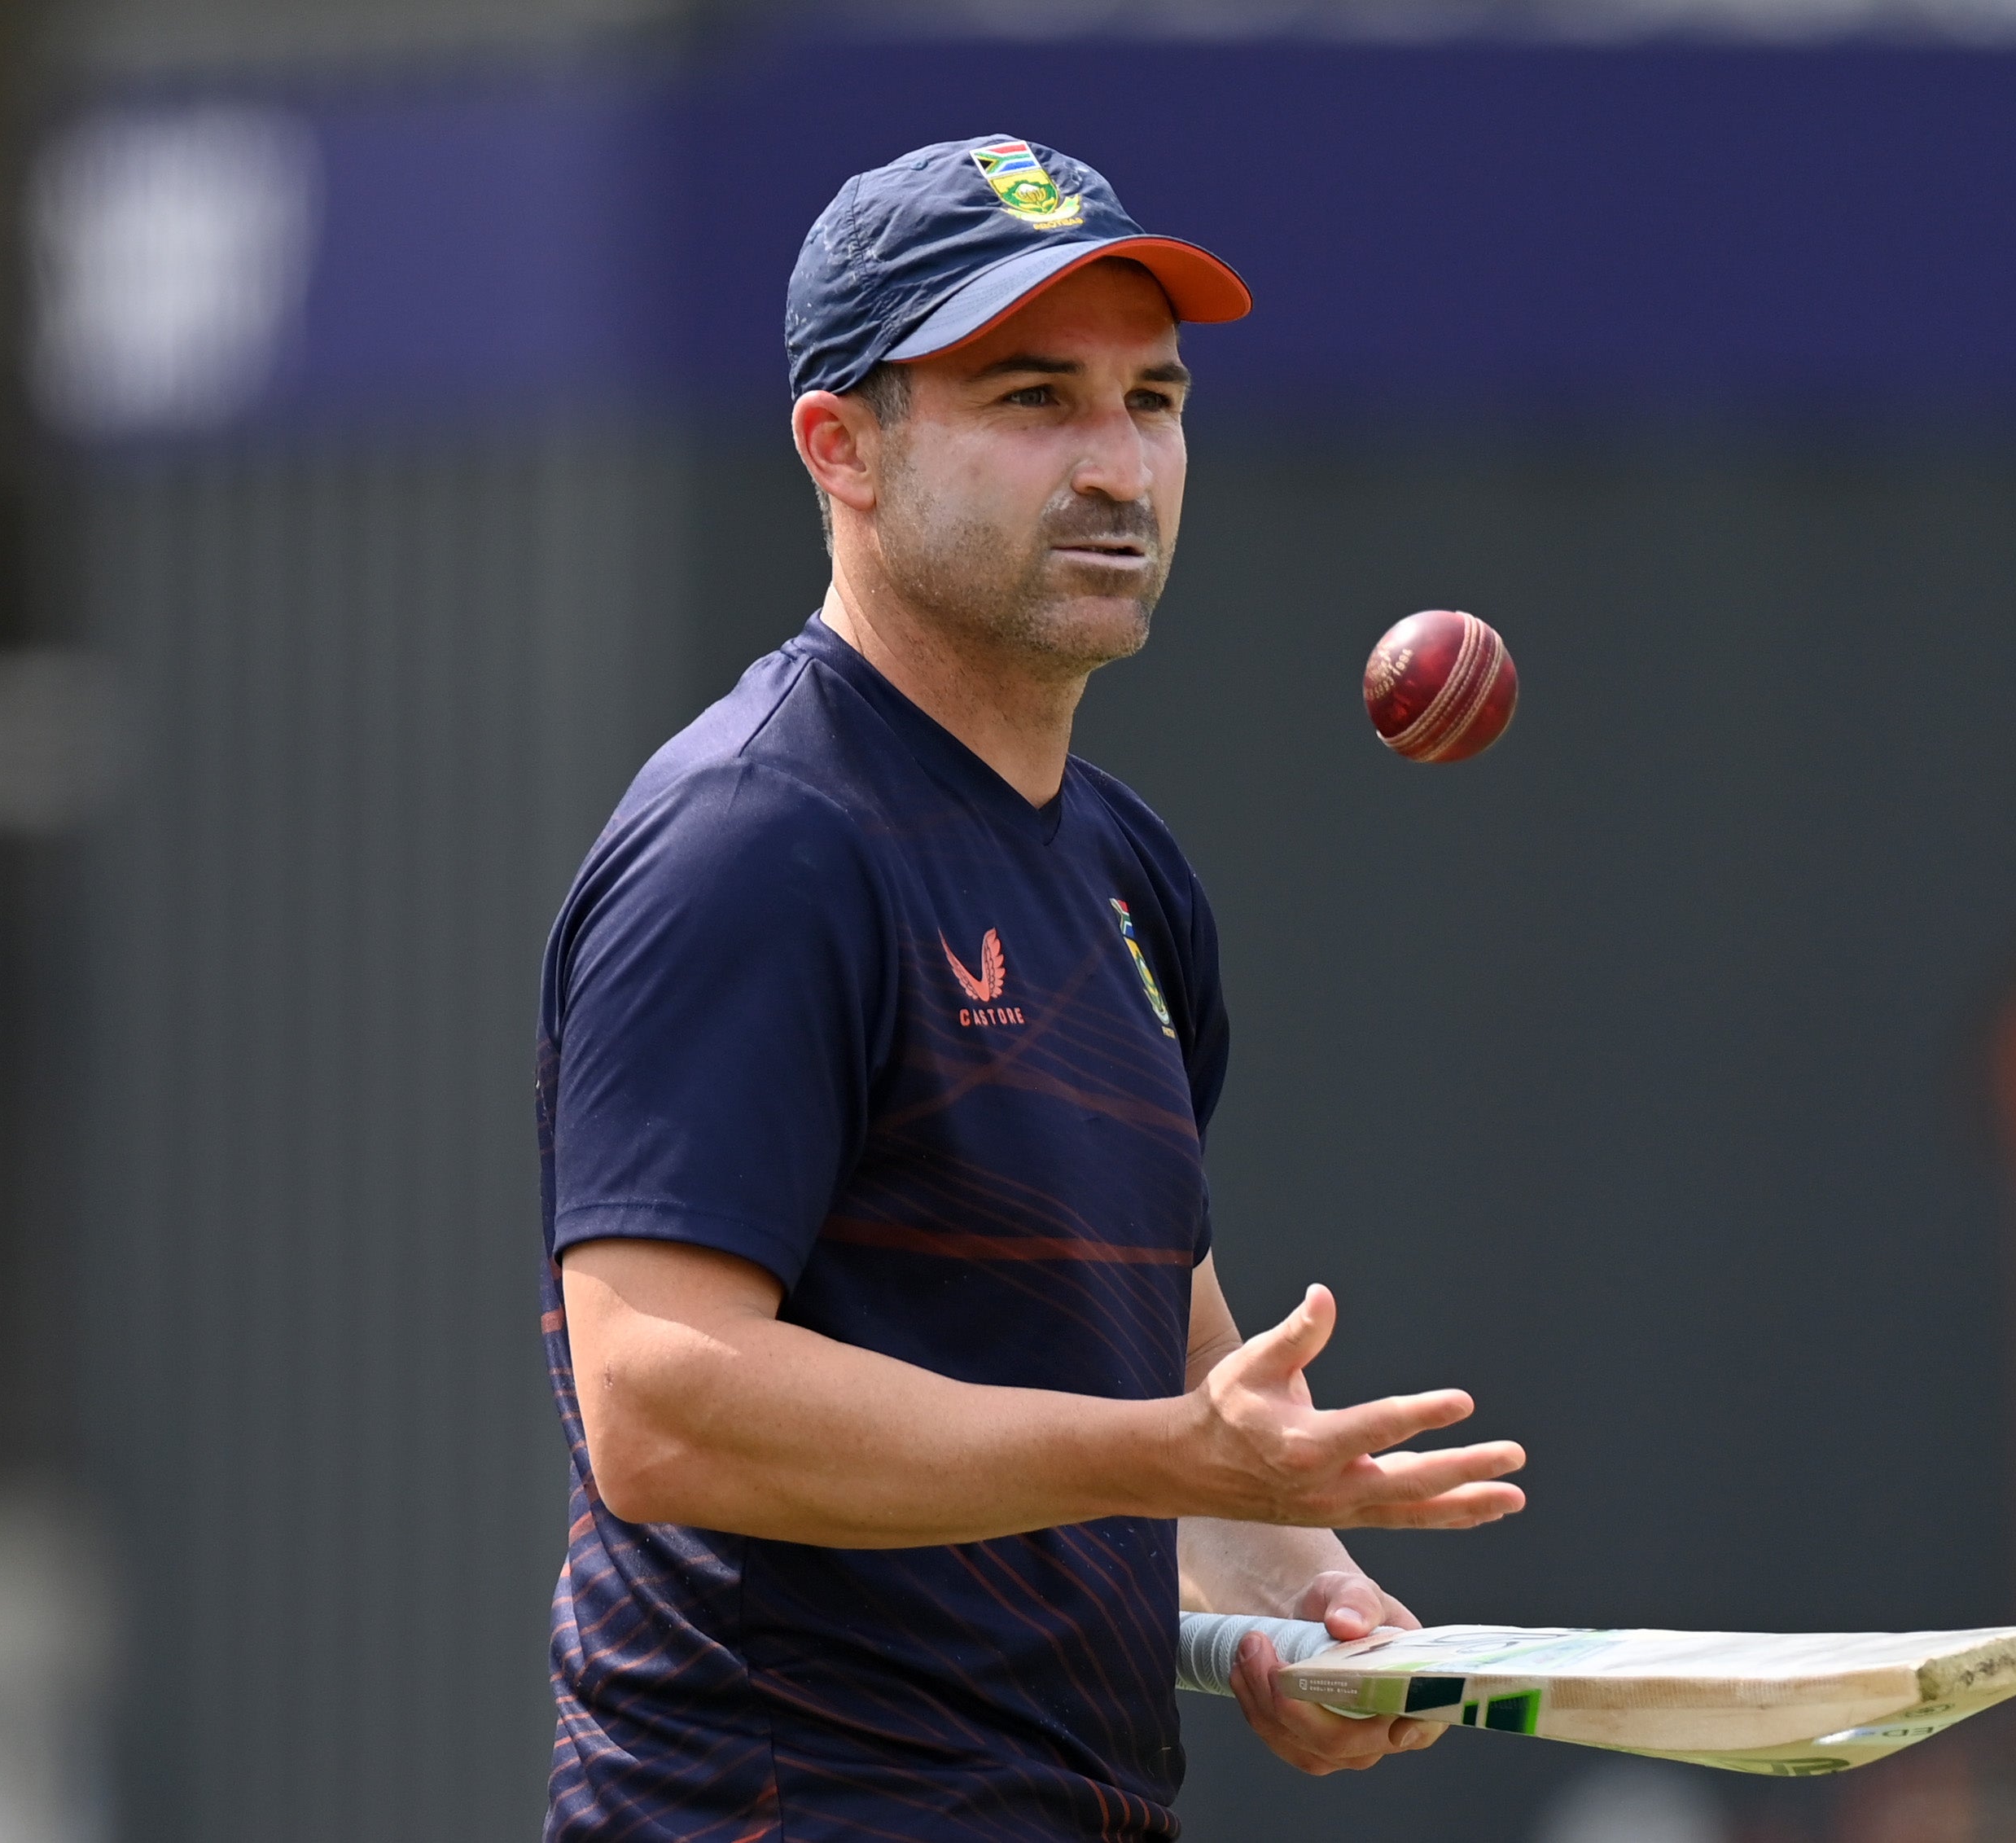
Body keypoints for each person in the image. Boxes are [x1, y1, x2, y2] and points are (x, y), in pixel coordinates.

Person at [535, 135, 1528, 1841]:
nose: (1118, 466)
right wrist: (1166, 1457)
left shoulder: (1126, 871)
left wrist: (1289, 1586)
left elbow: (1154, 1331)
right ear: (840, 447)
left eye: (1152, 399)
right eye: (1029, 399)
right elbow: (663, 1403)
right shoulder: (756, 844)